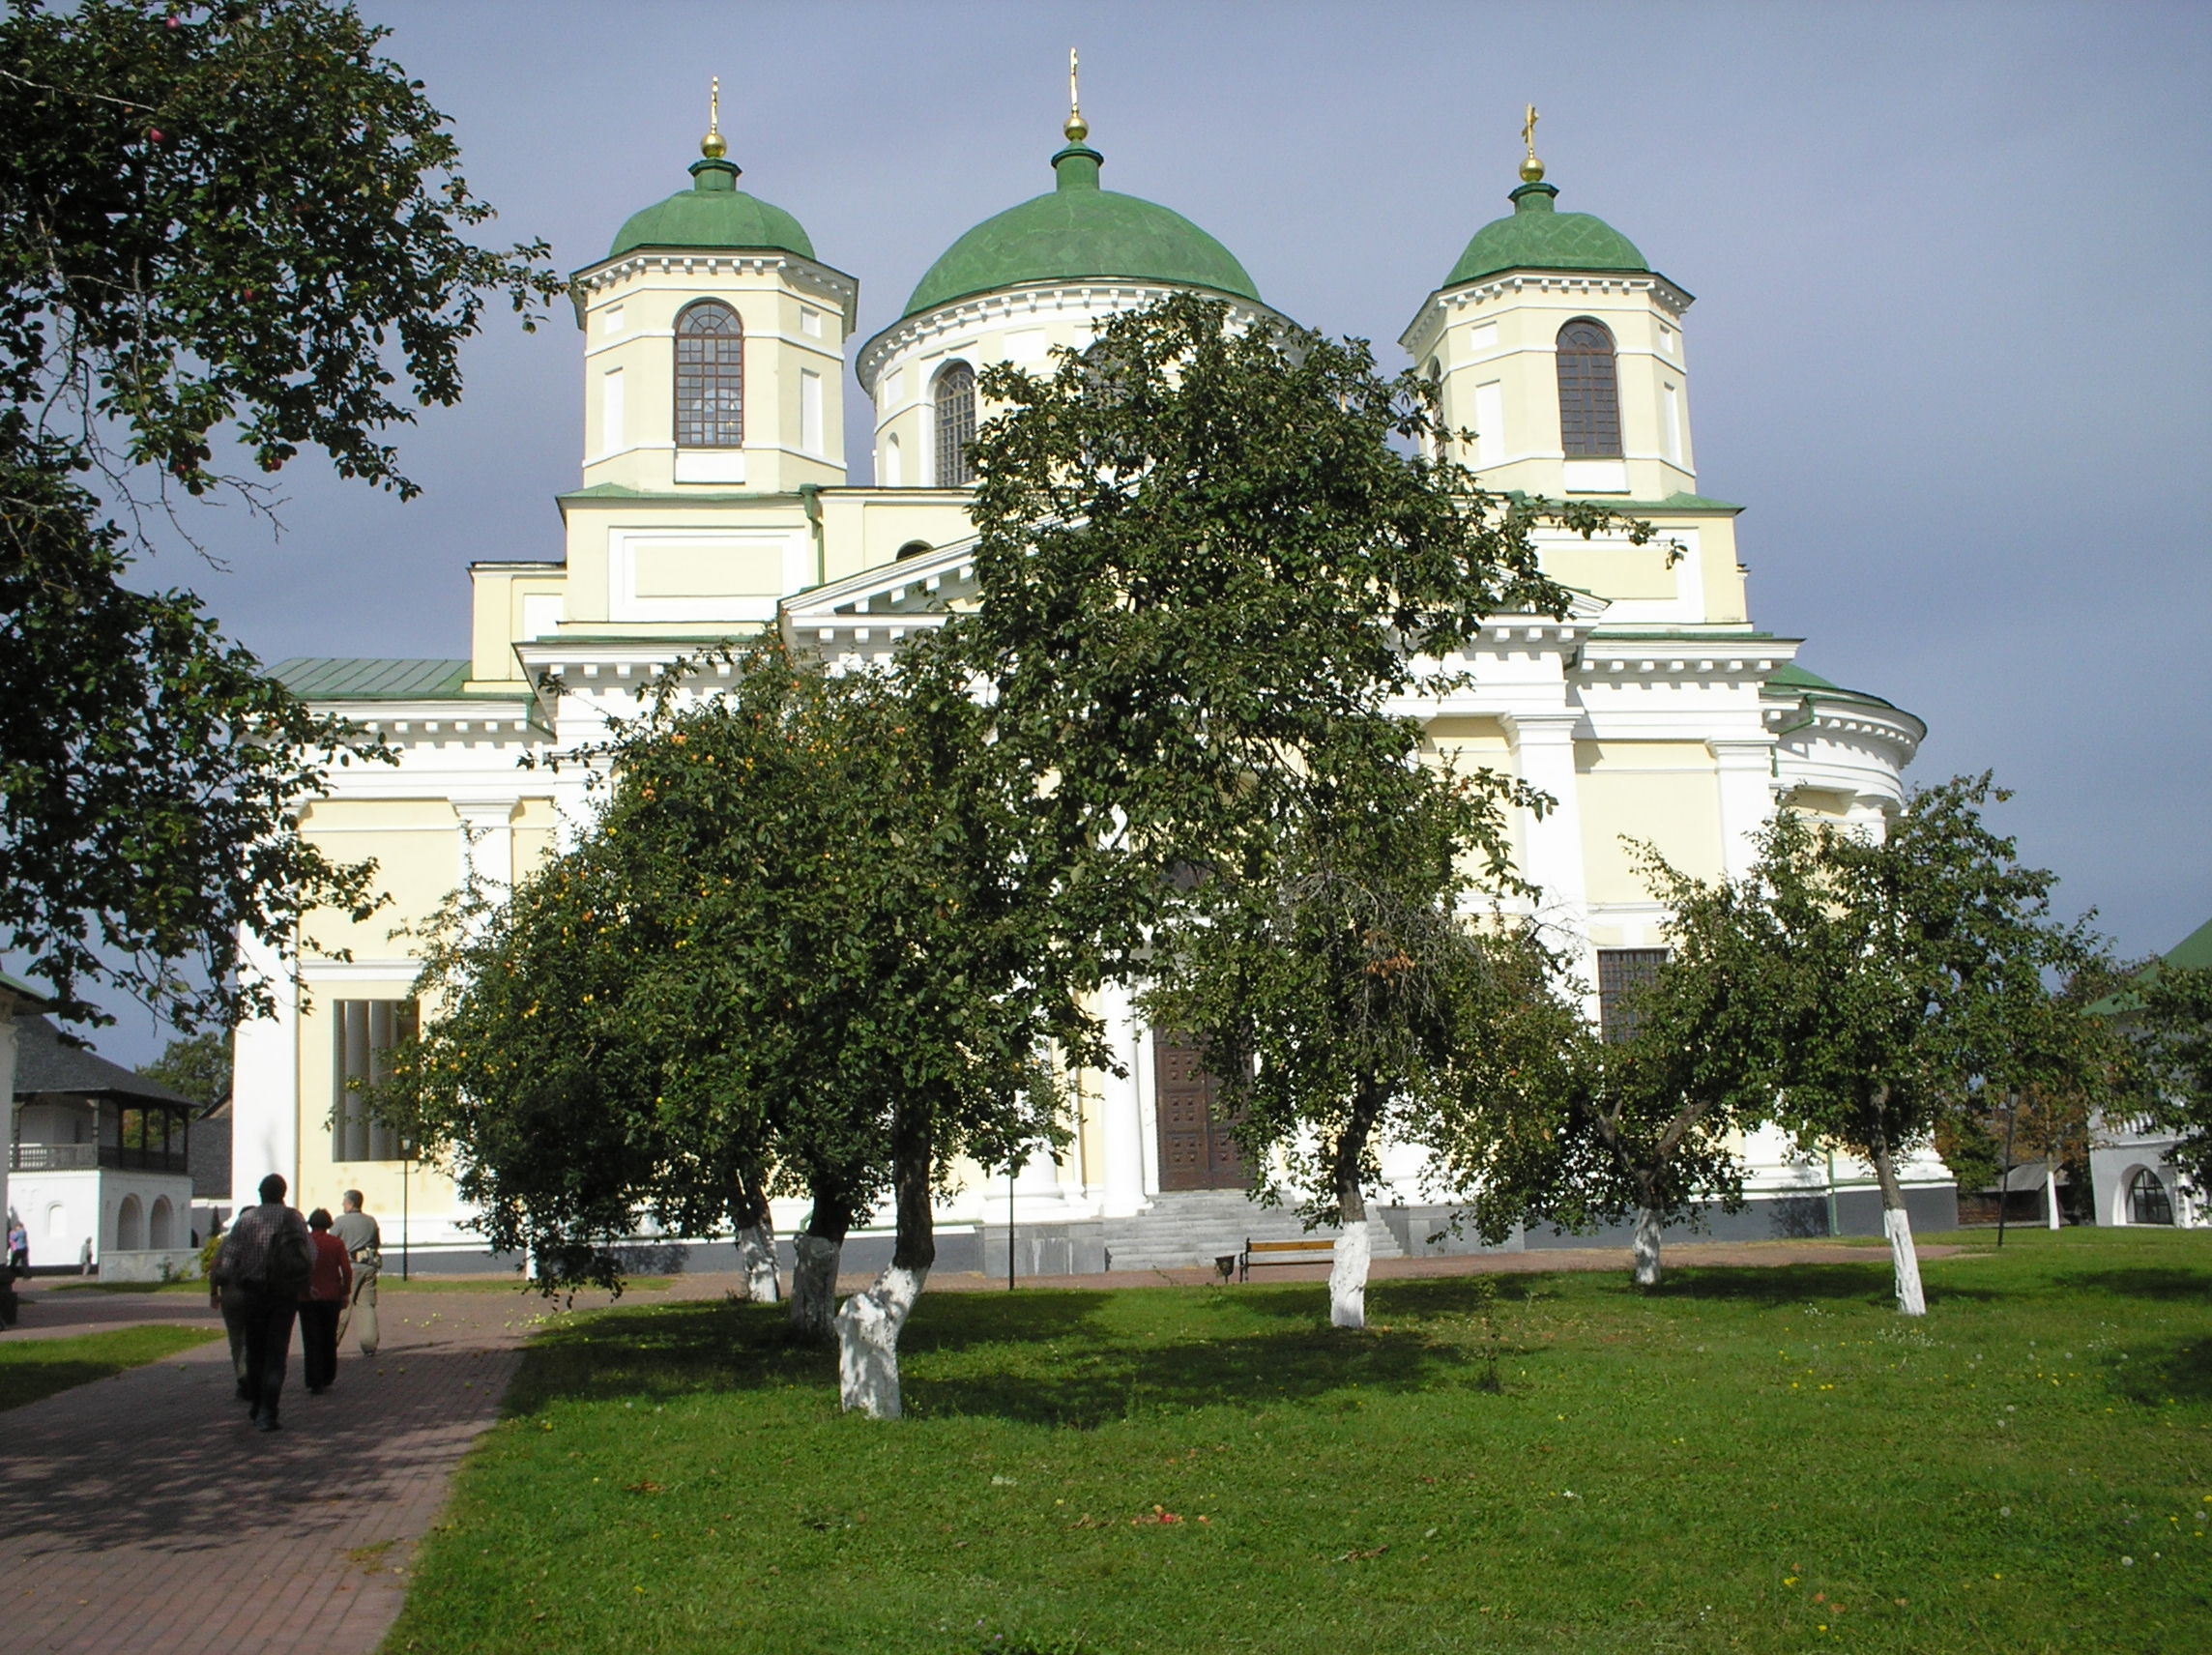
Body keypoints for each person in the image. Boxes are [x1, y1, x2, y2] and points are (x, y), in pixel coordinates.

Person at [207, 1174, 313, 1432]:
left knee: (254, 1350)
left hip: (252, 1294)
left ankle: (256, 1401)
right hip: (284, 1294)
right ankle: (268, 1411)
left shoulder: (246, 1220)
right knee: (277, 1353)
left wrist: (222, 1281)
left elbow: (229, 1259)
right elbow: (310, 1253)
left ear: (260, 1193)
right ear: (283, 1192)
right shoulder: (293, 1218)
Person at [298, 1208, 351, 1394]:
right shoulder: (336, 1243)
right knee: (328, 1336)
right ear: (329, 1225)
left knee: (311, 1338)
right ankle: (328, 1374)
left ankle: (313, 1378)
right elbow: (346, 1269)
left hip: (307, 1297)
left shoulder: (305, 1243)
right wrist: (345, 1292)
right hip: (331, 1296)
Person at [332, 1189, 382, 1357]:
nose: (342, 1205)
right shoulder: (370, 1221)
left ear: (350, 1204)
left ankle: (331, 1342)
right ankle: (369, 1345)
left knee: (344, 1307)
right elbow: (377, 1242)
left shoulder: (340, 1222)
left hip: (350, 1267)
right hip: (368, 1266)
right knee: (366, 1306)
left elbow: (333, 1241)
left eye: (344, 1202)